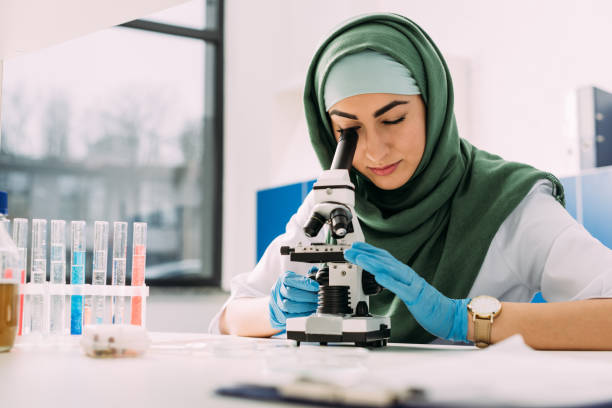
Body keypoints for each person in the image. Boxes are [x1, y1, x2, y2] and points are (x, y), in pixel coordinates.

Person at [211, 13, 612, 349]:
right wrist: (273, 310)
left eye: (393, 119)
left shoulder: (508, 201)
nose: (374, 151)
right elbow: (228, 318)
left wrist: (463, 319)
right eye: (348, 131)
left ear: (433, 106)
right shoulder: (332, 203)